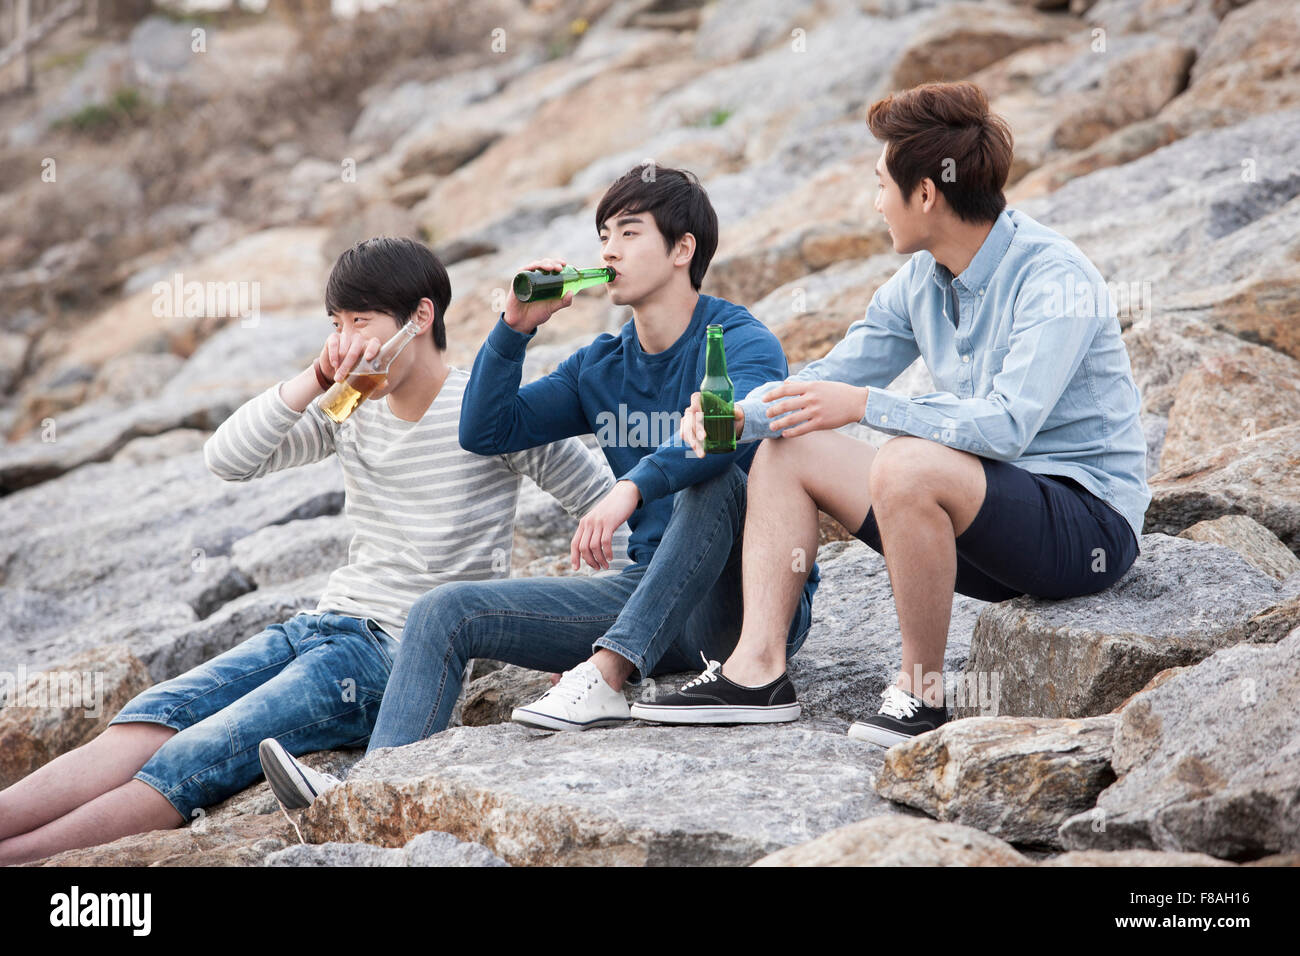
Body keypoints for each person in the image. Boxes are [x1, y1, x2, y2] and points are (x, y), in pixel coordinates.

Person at [0, 237, 622, 864]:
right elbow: (227, 460)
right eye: (336, 324)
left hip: (390, 657)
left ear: (421, 318)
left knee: (197, 753)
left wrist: (590, 646)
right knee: (155, 715)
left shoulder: (490, 412)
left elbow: (609, 506)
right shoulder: (348, 406)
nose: (347, 340)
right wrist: (318, 378)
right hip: (318, 626)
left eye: (362, 323)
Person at [259, 164, 821, 807]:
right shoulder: (601, 366)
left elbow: (724, 428)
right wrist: (515, 328)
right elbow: (487, 430)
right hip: (647, 600)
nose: (607, 250)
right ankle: (365, 794)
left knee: (715, 476)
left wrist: (632, 487)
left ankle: (606, 675)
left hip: (739, 607)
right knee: (445, 611)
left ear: (682, 249)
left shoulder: (739, 338)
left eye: (629, 232)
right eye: (603, 234)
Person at [674, 80, 1151, 747]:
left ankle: (921, 695)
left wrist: (870, 408)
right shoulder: (921, 280)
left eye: (880, 185)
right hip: (985, 525)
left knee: (906, 466)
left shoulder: (1053, 277)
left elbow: (1008, 427)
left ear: (926, 193)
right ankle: (758, 670)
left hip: (1084, 529)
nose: (875, 204)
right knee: (790, 445)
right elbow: (830, 377)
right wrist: (739, 417)